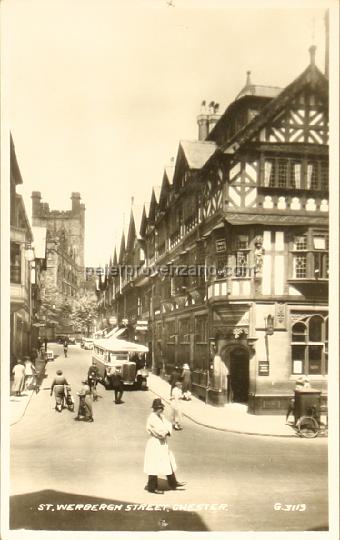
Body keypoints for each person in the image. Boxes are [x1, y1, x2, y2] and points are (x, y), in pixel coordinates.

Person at [144, 398, 185, 494]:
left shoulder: (160, 416)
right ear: (155, 408)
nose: (161, 409)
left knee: (168, 461)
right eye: (159, 408)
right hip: (155, 443)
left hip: (162, 444)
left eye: (162, 407)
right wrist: (166, 431)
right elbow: (160, 432)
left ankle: (173, 483)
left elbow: (168, 425)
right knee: (153, 465)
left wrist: (166, 430)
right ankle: (152, 487)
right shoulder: (152, 418)